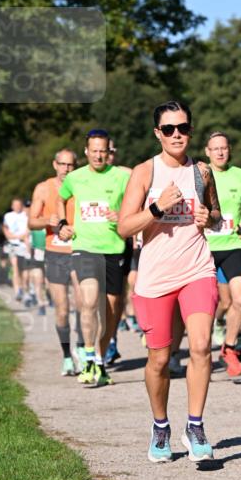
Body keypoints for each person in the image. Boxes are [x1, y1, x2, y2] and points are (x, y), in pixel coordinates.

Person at [118, 101, 221, 464]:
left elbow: (216, 215)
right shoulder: (144, 173)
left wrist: (209, 218)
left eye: (183, 128)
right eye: (169, 129)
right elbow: (124, 227)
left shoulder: (203, 171)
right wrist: (157, 208)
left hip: (197, 269)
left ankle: (195, 426)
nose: (177, 134)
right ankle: (160, 427)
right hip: (156, 276)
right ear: (157, 134)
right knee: (160, 359)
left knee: (202, 346)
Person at [57, 130, 130, 387]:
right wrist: (62, 223)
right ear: (86, 151)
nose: (99, 155)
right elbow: (61, 198)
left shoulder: (122, 176)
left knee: (112, 310)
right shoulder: (75, 178)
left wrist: (121, 214)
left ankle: (99, 358)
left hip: (114, 248)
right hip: (85, 247)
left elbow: (138, 204)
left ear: (109, 151)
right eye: (94, 150)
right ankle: (88, 356)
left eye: (103, 150)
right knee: (88, 301)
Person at [29, 149, 84, 376]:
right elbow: (31, 222)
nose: (66, 169)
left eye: (70, 165)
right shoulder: (43, 188)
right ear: (55, 165)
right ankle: (66, 355)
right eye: (62, 164)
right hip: (55, 252)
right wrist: (46, 221)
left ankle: (82, 347)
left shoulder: (82, 184)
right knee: (62, 308)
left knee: (83, 303)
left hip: (80, 249)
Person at [204, 132, 241, 377]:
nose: (220, 152)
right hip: (204, 246)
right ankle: (193, 352)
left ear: (229, 149)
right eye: (215, 149)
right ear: (207, 151)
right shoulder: (199, 175)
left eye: (224, 148)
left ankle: (229, 348)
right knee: (205, 305)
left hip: (233, 244)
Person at [104, 139, 134, 366]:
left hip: (122, 240)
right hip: (90, 243)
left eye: (112, 150)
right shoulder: (83, 176)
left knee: (119, 295)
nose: (109, 154)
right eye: (105, 150)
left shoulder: (127, 174)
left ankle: (110, 339)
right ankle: (89, 342)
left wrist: (123, 215)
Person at [2, 197, 30, 302]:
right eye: (15, 205)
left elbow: (29, 228)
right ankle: (17, 291)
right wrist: (14, 237)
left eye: (19, 205)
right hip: (13, 245)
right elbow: (5, 229)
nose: (17, 207)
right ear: (12, 206)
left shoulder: (26, 215)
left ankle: (25, 289)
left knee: (25, 270)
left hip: (24, 245)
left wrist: (24, 237)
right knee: (15, 268)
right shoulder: (8, 216)